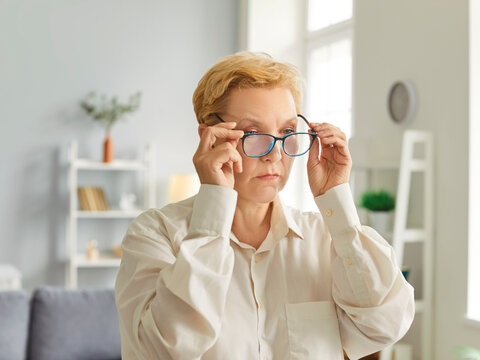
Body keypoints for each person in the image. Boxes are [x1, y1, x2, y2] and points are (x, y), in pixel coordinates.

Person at [115, 52, 414, 360]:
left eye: (285, 132)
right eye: (253, 134)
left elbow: (386, 326)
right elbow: (161, 349)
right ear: (210, 137)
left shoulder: (326, 239)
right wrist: (214, 203)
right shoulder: (155, 234)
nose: (274, 154)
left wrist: (336, 199)